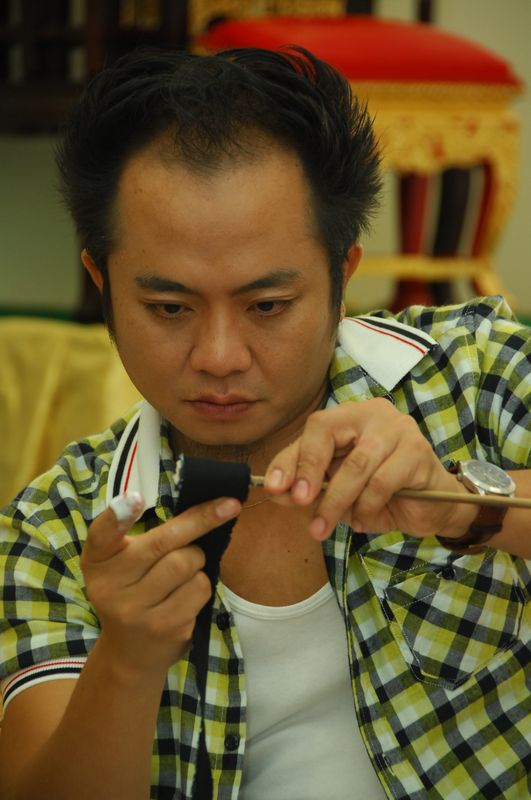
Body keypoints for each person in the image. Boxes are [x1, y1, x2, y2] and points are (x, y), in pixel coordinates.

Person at [0, 45, 529, 800]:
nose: (219, 357)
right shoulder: (56, 530)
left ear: (343, 273)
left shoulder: (476, 376)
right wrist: (127, 660)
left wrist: (465, 505)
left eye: (268, 306)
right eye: (169, 308)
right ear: (101, 282)